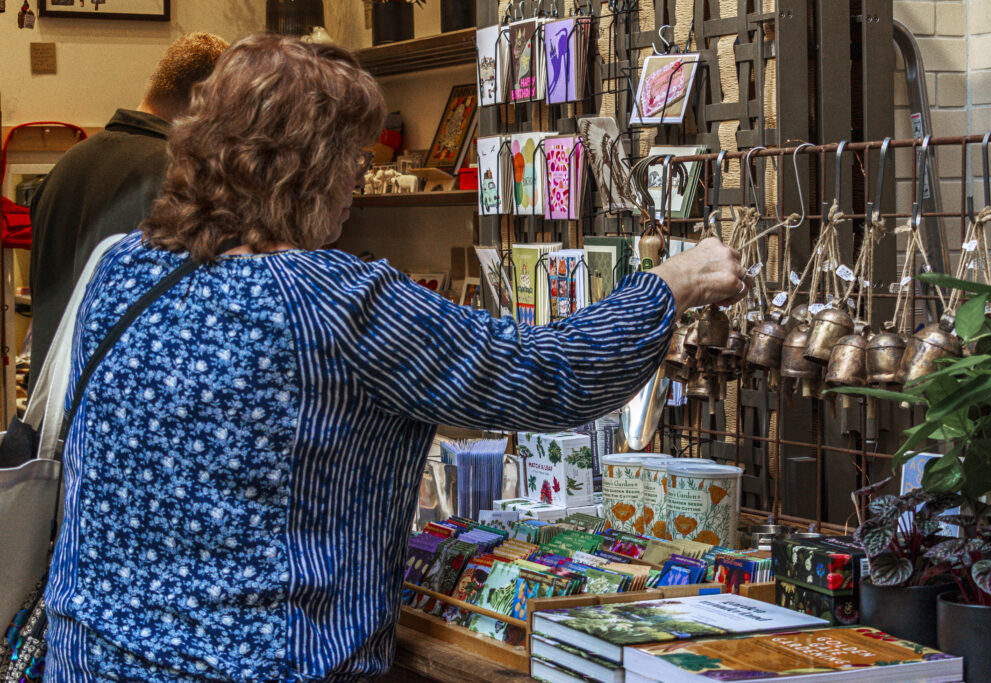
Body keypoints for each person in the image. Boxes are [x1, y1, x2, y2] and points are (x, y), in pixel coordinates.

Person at [44, 35, 750, 682]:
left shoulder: (122, 268)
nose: (358, 182)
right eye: (352, 158)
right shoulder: (334, 301)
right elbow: (542, 373)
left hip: (86, 653)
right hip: (259, 664)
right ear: (308, 168)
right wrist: (671, 285)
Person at [27, 31, 228, 393]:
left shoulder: (66, 166)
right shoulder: (180, 178)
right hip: (117, 414)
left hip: (53, 413)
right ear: (207, 101)